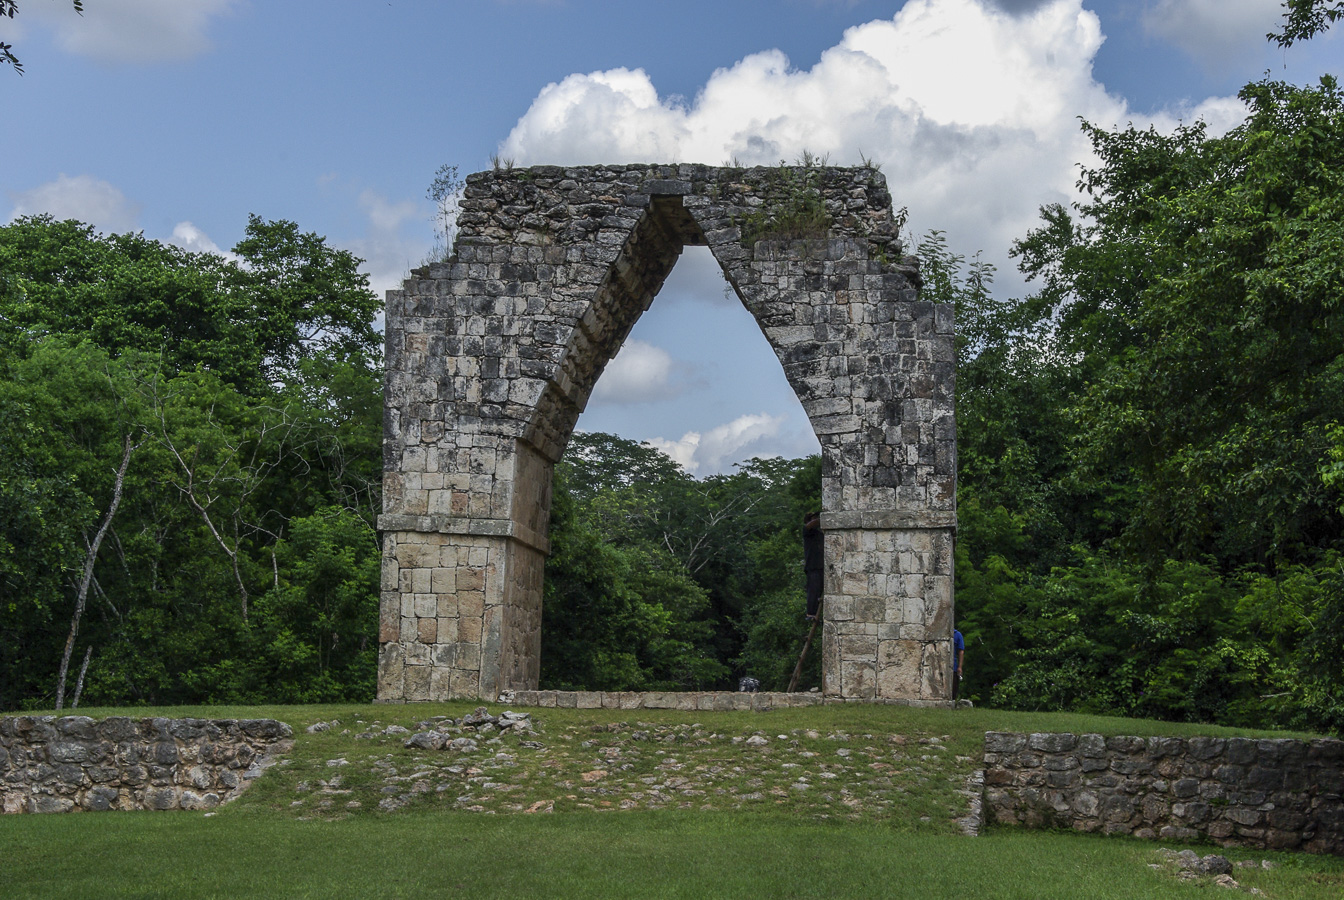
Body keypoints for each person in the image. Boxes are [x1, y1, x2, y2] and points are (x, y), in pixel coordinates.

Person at [803, 511, 823, 620]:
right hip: (812, 566)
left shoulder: (819, 534)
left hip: (821, 566)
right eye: (814, 518)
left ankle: (816, 613)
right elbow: (811, 524)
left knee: (819, 591)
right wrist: (825, 519)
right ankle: (810, 614)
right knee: (813, 591)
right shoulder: (807, 531)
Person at [952, 628, 965, 702]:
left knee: (954, 687)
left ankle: (953, 701)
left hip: (953, 665)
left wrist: (960, 667)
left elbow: (961, 651)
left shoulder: (957, 634)